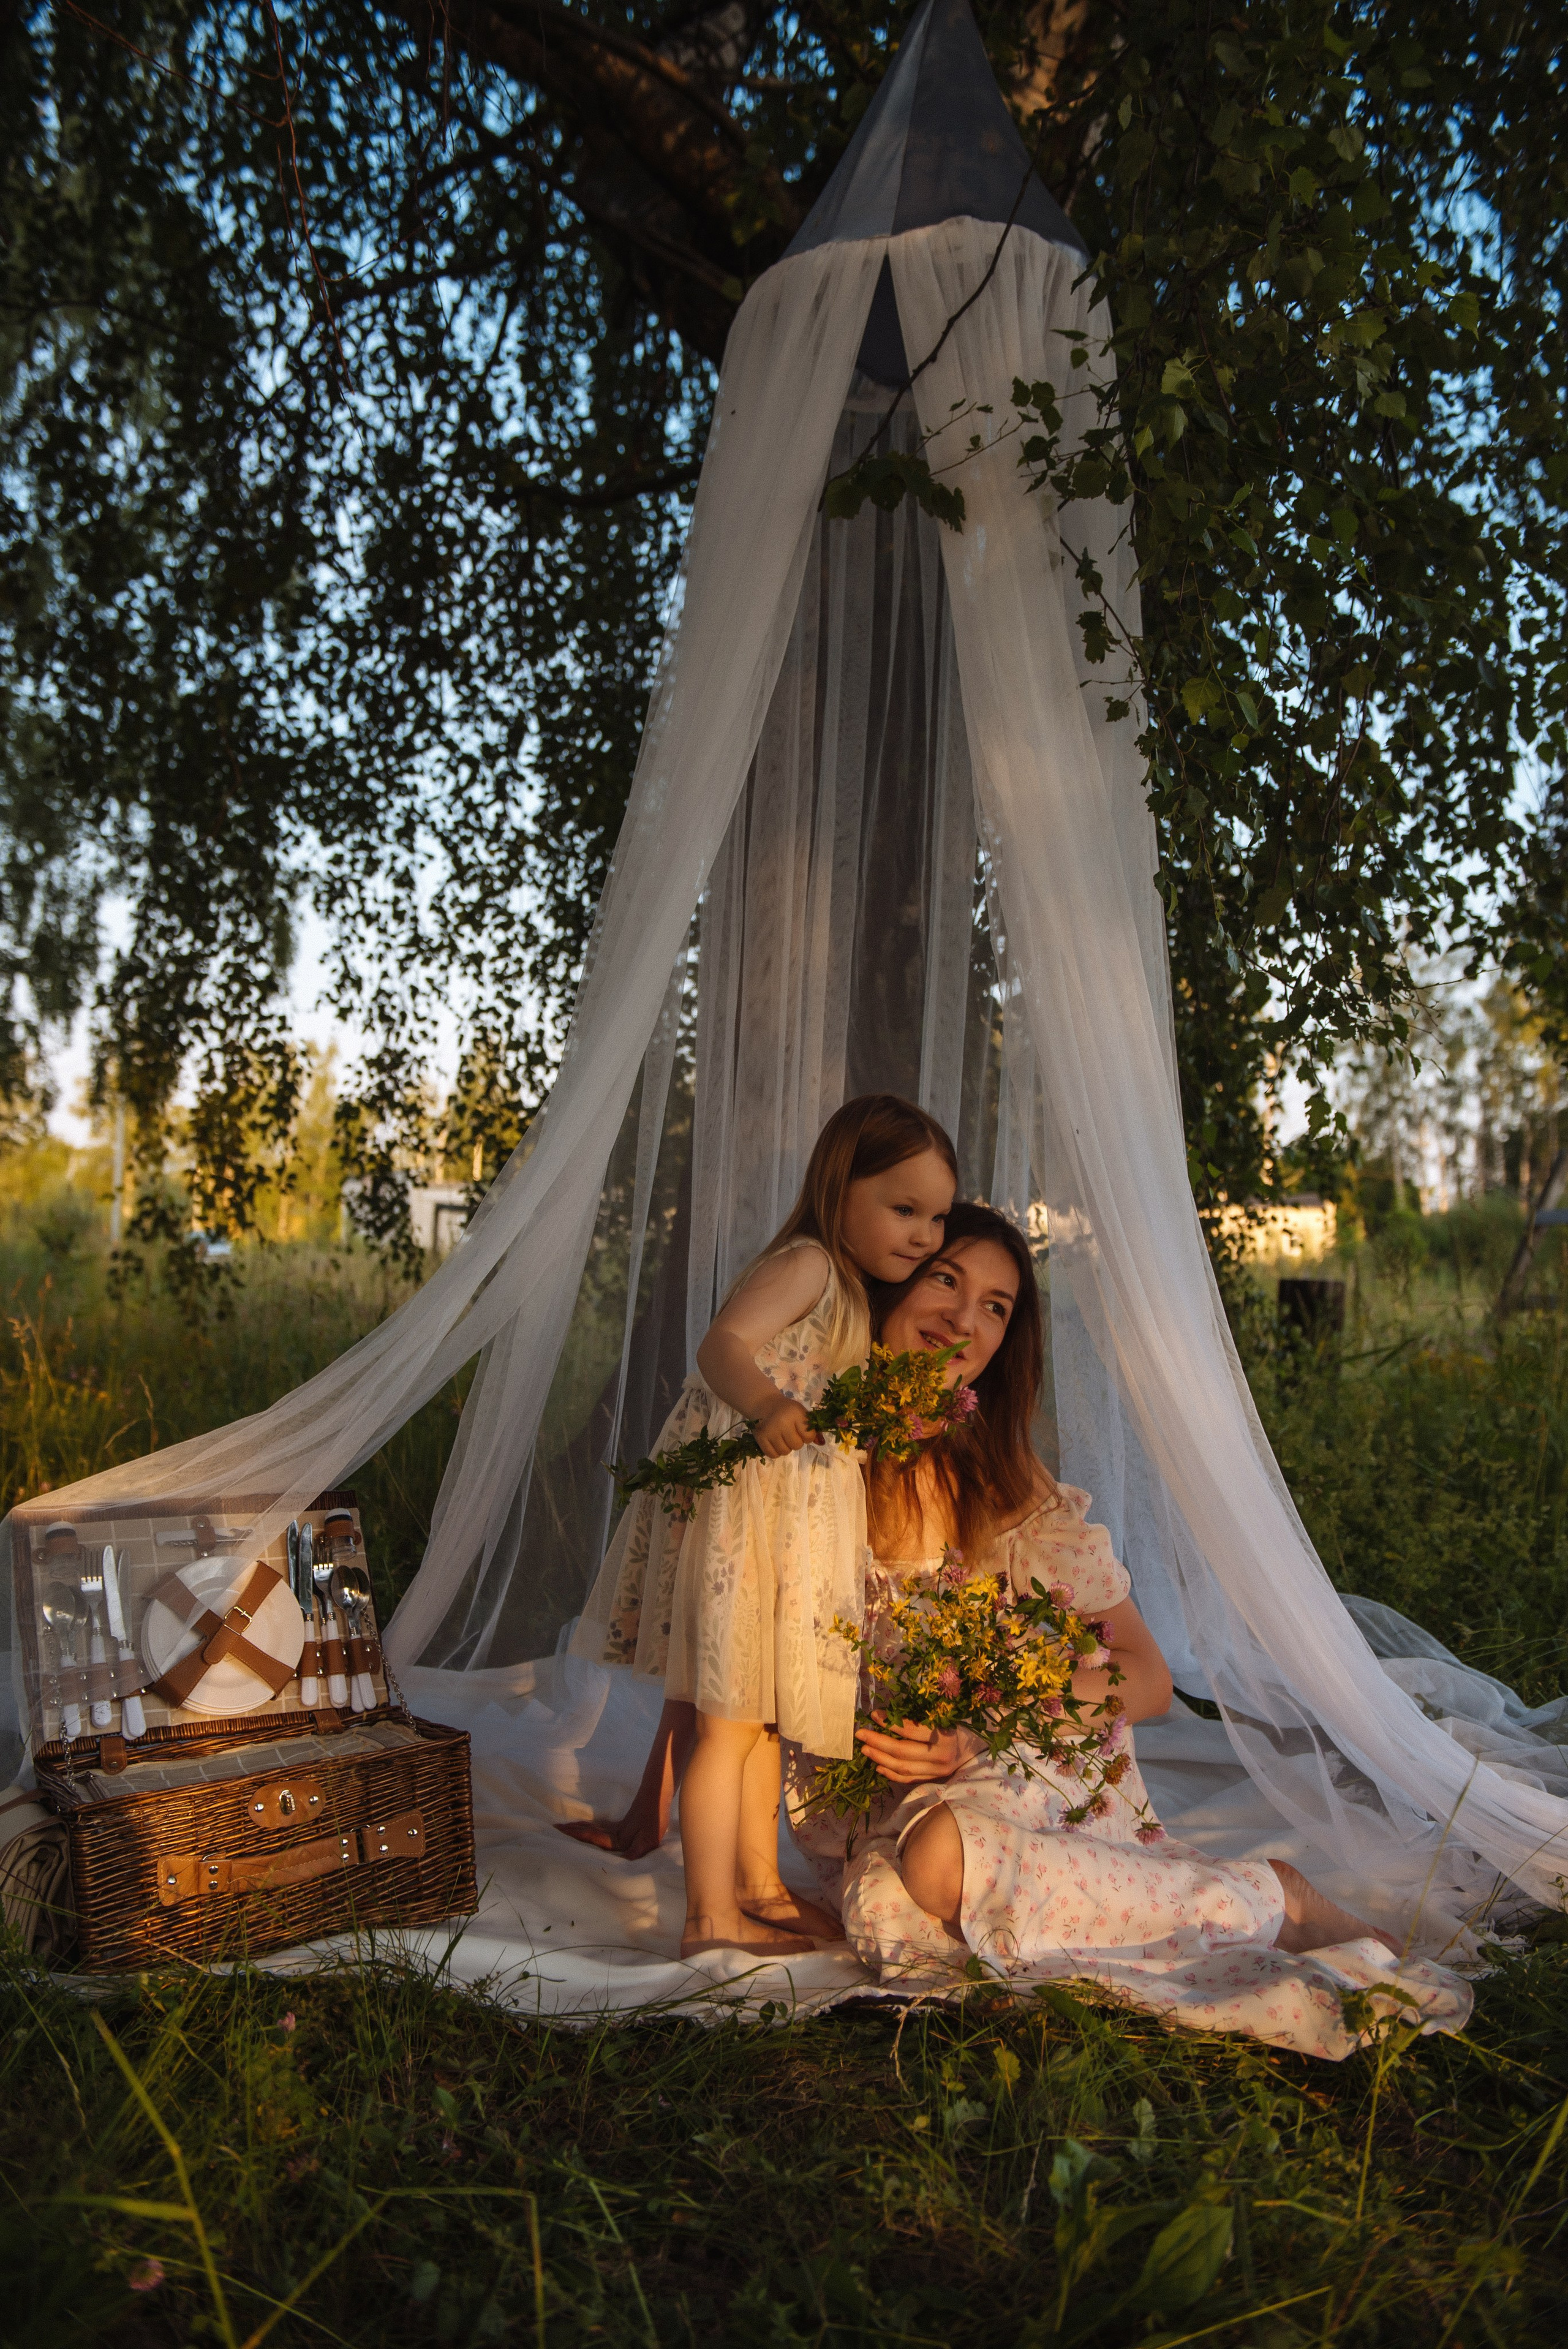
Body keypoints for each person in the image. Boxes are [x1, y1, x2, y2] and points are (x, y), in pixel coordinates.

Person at [785, 1203, 1438, 2039]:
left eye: (996, 1306)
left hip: (1026, 1757)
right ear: (889, 1280)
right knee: (885, 1911)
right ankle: (1118, 1905)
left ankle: (1272, 1896)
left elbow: (1150, 1678)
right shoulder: (814, 1444)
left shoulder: (1006, 1480)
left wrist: (984, 1734)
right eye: (945, 1279)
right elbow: (735, 1630)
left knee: (939, 1859)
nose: (963, 1318)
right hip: (881, 1797)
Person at [564, 1095, 957, 1958]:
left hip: (798, 1527)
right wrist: (767, 1403)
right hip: (752, 1517)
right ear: (839, 1187)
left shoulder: (852, 1289)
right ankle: (708, 1917)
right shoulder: (811, 1264)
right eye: (904, 1209)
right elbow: (722, 1345)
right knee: (729, 1723)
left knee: (763, 1722)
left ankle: (758, 1883)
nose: (925, 1236)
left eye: (936, 1217)